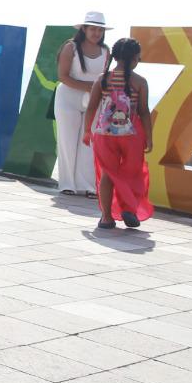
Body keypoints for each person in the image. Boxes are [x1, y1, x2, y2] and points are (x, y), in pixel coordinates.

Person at [83, 37, 154, 230]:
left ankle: (106, 217)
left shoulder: (102, 79)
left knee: (108, 173)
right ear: (134, 58)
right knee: (132, 173)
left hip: (104, 134)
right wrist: (149, 136)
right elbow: (144, 111)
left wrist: (86, 132)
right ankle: (128, 208)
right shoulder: (139, 82)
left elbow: (92, 108)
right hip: (131, 135)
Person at [54, 13, 110, 196]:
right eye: (92, 28)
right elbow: (62, 76)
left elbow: (104, 76)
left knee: (90, 141)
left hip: (94, 100)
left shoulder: (105, 51)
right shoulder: (70, 47)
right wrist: (88, 86)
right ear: (84, 29)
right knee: (67, 140)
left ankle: (87, 185)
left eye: (100, 29)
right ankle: (67, 184)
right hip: (68, 97)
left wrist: (96, 91)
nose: (96, 33)